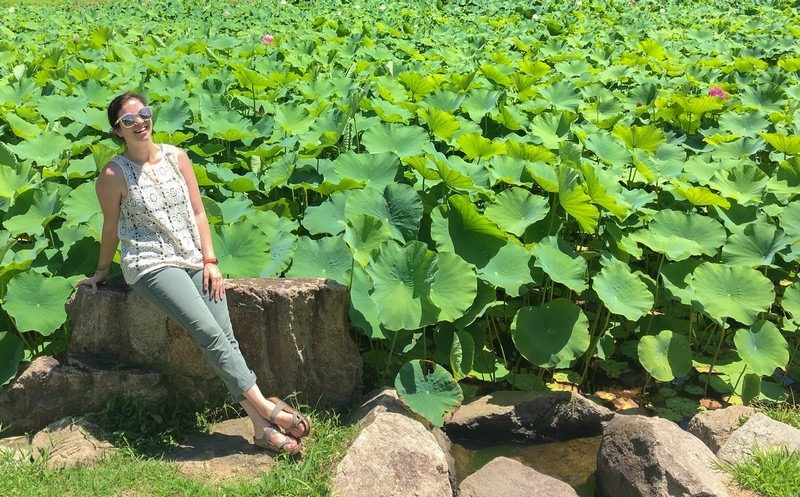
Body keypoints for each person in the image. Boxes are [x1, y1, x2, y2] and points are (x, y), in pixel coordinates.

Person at [77, 91, 310, 455]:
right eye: (129, 120)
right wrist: (101, 272)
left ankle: (260, 428)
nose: (140, 122)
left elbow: (199, 213)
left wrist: (211, 260)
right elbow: (110, 228)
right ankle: (265, 406)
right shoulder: (112, 174)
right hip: (150, 263)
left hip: (191, 256)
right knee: (206, 331)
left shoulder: (177, 157)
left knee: (225, 336)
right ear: (117, 130)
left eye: (145, 114)